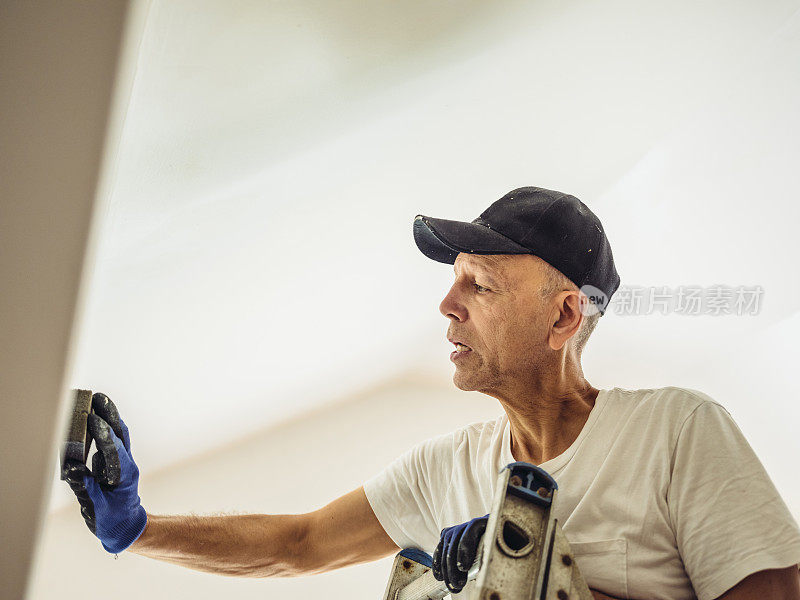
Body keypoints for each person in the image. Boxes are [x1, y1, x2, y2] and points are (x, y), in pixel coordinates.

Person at [64, 187, 800, 600]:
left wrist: (540, 581)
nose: (447, 306)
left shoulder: (677, 434)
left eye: (478, 284)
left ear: (564, 315)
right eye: (452, 284)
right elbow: (300, 545)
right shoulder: (444, 469)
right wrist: (135, 528)